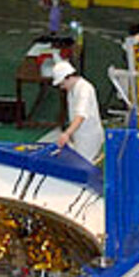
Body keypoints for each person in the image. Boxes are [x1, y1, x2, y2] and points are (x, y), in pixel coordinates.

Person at [47, 59, 105, 196]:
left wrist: (67, 133)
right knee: (79, 163)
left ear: (68, 77)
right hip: (80, 135)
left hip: (89, 137)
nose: (62, 87)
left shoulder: (84, 90)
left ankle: (89, 194)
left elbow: (81, 115)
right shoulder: (73, 89)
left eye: (62, 84)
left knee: (84, 168)